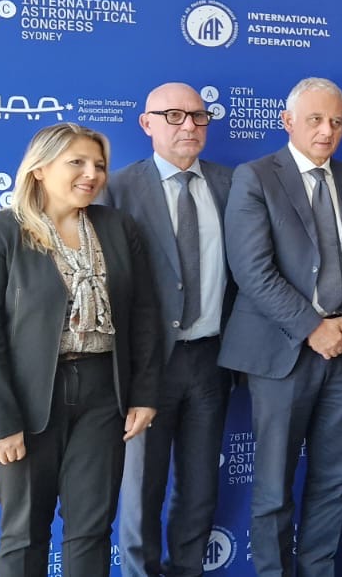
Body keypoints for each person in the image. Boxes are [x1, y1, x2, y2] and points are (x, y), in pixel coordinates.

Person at [0, 123, 160, 577]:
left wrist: (145, 393)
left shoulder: (118, 227)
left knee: (92, 529)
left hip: (104, 395)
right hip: (27, 400)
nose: (92, 174)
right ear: (40, 169)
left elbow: (144, 315)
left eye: (99, 165)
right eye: (77, 163)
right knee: (25, 533)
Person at [218, 77, 342, 577]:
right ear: (287, 121)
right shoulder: (255, 177)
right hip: (282, 351)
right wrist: (314, 328)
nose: (326, 131)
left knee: (335, 479)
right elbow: (252, 270)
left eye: (336, 122)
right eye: (315, 119)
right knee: (273, 487)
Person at [107, 83, 234, 577]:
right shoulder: (117, 189)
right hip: (147, 365)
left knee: (200, 488)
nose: (189, 126)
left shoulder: (231, 183)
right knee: (141, 489)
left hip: (212, 360)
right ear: (147, 123)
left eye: (199, 116)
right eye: (174, 115)